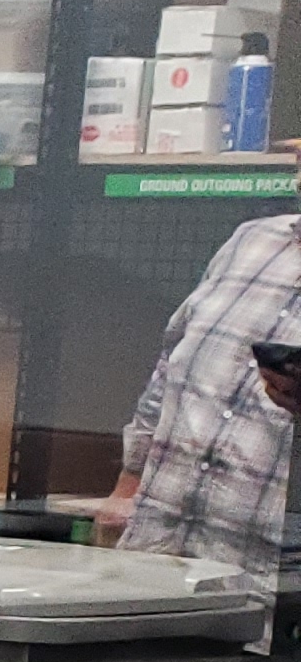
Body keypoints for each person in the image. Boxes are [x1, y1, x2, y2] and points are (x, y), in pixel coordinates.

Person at [97, 212, 301, 585]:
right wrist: (126, 489)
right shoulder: (251, 240)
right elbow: (169, 371)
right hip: (156, 556)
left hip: (264, 586)